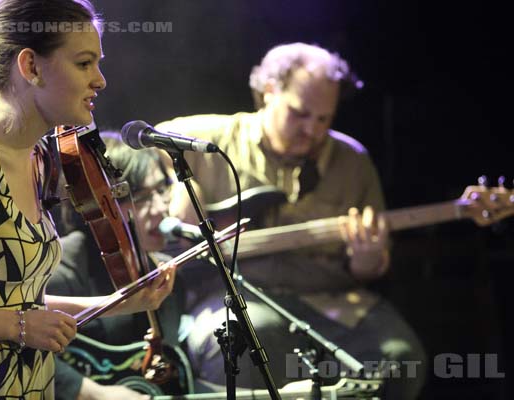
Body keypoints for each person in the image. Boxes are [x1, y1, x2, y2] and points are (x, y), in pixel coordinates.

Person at [0, 1, 175, 398]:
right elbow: (15, 317)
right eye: (84, 63)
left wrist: (115, 303)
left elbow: (17, 299)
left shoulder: (38, 155)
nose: (100, 80)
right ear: (31, 67)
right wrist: (17, 326)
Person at [155, 43, 426, 399]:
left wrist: (369, 259)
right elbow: (142, 147)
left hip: (328, 298)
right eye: (300, 114)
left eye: (323, 119)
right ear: (269, 91)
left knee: (401, 358)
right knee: (250, 342)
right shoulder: (212, 139)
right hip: (235, 293)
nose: (312, 129)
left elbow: (371, 269)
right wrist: (177, 187)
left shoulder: (353, 161)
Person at [47, 133, 191, 399]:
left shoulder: (165, 281)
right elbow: (19, 346)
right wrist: (91, 393)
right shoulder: (60, 272)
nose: (160, 208)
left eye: (161, 190)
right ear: (101, 203)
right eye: (140, 197)